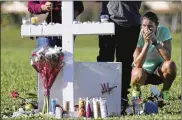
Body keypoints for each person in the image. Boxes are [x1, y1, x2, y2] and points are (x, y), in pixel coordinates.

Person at [96, 1, 142, 114]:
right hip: (107, 21)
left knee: (125, 63)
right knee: (104, 61)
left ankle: (122, 98)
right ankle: (103, 95)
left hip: (130, 23)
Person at [130, 11, 177, 100]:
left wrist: (155, 42)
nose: (146, 29)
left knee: (171, 65)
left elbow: (168, 58)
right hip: (143, 72)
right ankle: (137, 97)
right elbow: (138, 64)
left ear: (157, 25)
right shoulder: (138, 34)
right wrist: (147, 44)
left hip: (158, 71)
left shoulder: (164, 31)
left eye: (150, 26)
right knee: (137, 73)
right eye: (144, 26)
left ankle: (165, 94)